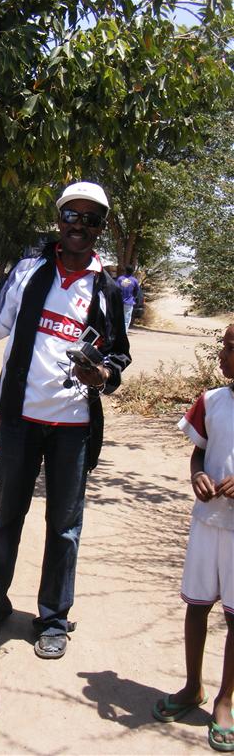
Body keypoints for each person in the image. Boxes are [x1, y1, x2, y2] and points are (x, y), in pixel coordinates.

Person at [0, 181, 131, 660]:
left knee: (64, 524)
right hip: (20, 419)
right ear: (59, 221)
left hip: (73, 426)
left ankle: (53, 618)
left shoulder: (108, 288)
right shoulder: (30, 271)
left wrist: (100, 374)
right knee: (6, 515)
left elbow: (118, 356)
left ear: (101, 228)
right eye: (71, 217)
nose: (80, 227)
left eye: (91, 219)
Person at [153, 324, 234, 753]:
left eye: (231, 348)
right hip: (207, 522)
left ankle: (225, 700)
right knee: (197, 606)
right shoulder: (213, 401)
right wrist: (197, 475)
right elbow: (199, 450)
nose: (222, 354)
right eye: (222, 345)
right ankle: (191, 687)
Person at [116, 265, 141, 332]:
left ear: (125, 271)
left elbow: (116, 289)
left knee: (118, 318)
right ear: (133, 272)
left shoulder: (120, 279)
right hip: (129, 303)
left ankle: (116, 333)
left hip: (119, 302)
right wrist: (133, 297)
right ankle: (124, 334)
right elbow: (137, 291)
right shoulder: (134, 281)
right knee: (126, 320)